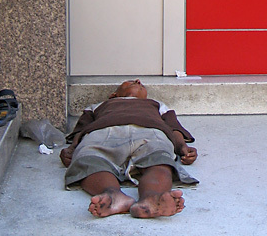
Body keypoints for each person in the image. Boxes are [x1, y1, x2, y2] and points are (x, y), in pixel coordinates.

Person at [60, 79, 198, 219]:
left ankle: (152, 198)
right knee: (89, 159)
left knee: (159, 160)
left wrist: (182, 147)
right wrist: (73, 149)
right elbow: (82, 130)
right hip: (104, 133)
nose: (138, 81)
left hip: (149, 133)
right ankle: (113, 195)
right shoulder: (97, 106)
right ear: (114, 95)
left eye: (140, 83)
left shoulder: (158, 105)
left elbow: (173, 128)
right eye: (130, 81)